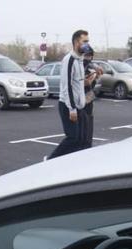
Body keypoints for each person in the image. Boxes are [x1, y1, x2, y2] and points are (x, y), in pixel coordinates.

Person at [48, 30, 93, 159]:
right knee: (73, 138)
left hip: (79, 105)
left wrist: (85, 82)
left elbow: (76, 83)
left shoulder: (79, 60)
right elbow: (66, 85)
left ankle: (69, 164)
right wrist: (72, 109)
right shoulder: (70, 60)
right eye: (84, 41)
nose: (87, 44)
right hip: (68, 106)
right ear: (76, 42)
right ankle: (51, 160)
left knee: (80, 139)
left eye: (88, 41)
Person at [79, 48, 102, 150]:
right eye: (85, 55)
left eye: (89, 56)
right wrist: (84, 82)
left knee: (88, 125)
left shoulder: (91, 67)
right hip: (78, 100)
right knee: (80, 129)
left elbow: (93, 84)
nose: (87, 58)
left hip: (88, 99)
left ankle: (87, 146)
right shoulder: (78, 66)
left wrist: (95, 77)